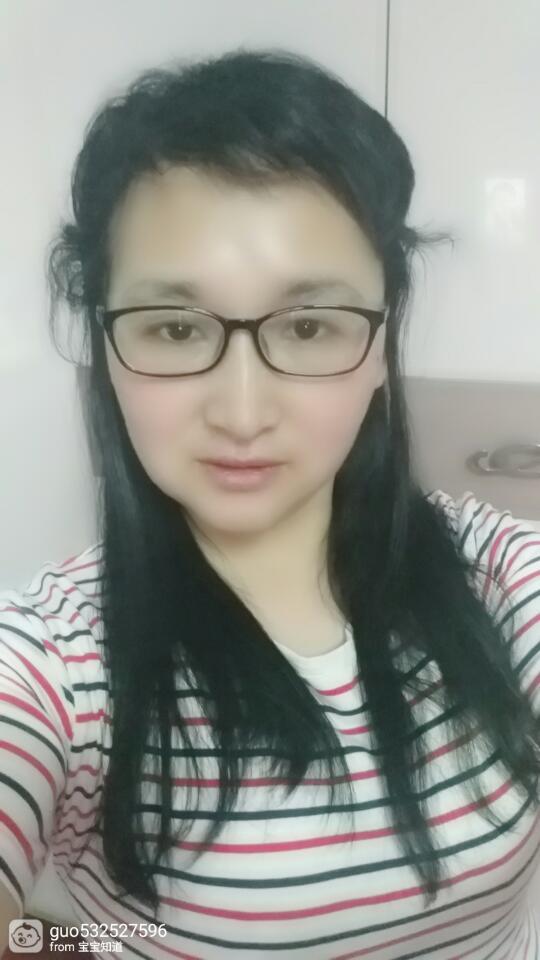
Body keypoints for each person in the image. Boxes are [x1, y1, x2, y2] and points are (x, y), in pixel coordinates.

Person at [0, 47, 539, 959]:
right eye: (176, 328)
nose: (243, 412)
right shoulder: (56, 664)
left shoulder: (499, 577)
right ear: (105, 348)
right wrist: (101, 943)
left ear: (380, 346)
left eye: (310, 325)